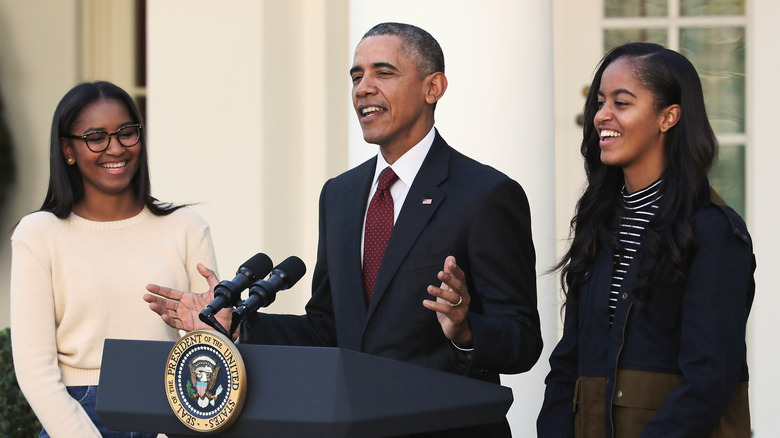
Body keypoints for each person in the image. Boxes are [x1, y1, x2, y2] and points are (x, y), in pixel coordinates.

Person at [145, 22, 542, 437]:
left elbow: (522, 340)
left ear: (433, 87)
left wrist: (465, 328)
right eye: (356, 76)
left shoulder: (486, 194)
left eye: (383, 73)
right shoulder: (340, 195)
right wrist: (237, 323)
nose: (362, 88)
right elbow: (327, 329)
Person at [537, 42, 754, 438]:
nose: (602, 115)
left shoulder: (714, 232)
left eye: (622, 102)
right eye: (600, 101)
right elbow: (569, 362)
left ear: (668, 116)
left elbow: (709, 379)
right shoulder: (598, 222)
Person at [10, 81, 218, 437]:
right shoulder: (38, 234)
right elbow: (35, 371)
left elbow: (210, 354)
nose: (115, 147)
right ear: (68, 150)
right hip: (75, 415)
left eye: (126, 133)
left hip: (171, 410)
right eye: (96, 137)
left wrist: (219, 330)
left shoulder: (187, 228)